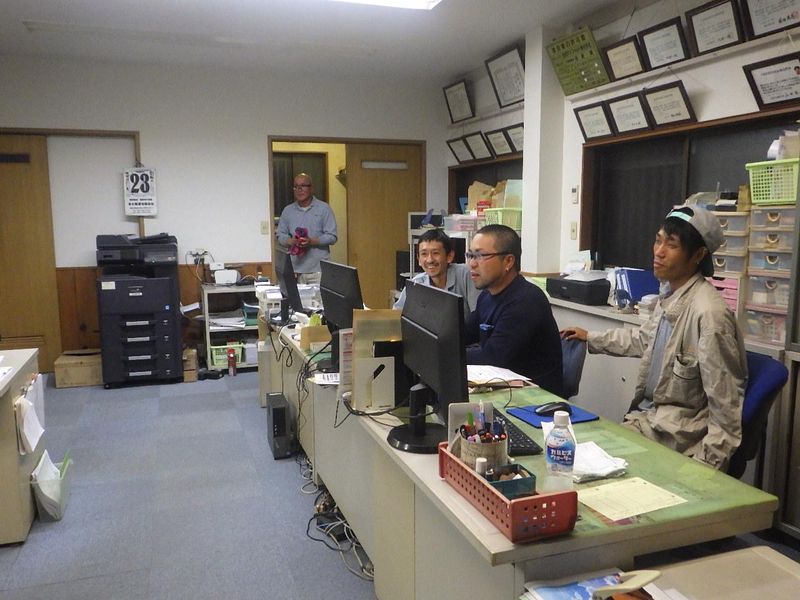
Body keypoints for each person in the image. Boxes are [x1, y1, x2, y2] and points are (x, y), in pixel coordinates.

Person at [562, 205, 746, 471]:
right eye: (658, 241)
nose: (659, 251)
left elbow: (725, 408)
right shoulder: (670, 295)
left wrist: (705, 471)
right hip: (648, 421)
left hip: (679, 440)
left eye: (671, 245)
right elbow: (644, 339)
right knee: (571, 453)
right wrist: (591, 337)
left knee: (584, 467)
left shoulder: (709, 315)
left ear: (698, 255)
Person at [465, 224, 563, 396]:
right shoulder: (487, 296)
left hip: (533, 397)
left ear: (508, 261)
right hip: (501, 387)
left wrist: (445, 354)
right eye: (470, 255)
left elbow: (492, 358)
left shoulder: (526, 301)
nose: (472, 264)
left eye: (480, 256)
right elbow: (464, 333)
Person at [393, 228, 479, 321]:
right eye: (424, 254)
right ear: (419, 259)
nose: (430, 260)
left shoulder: (467, 275)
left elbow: (480, 316)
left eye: (435, 253)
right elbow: (397, 316)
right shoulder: (416, 284)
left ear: (449, 256)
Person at [276, 173, 338, 285]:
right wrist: (291, 241)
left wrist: (311, 241)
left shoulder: (324, 209)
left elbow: (332, 236)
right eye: (296, 186)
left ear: (311, 188)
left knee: (318, 297)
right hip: (294, 271)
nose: (299, 189)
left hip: (318, 271)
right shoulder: (288, 211)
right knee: (294, 297)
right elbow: (280, 235)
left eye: (303, 185)